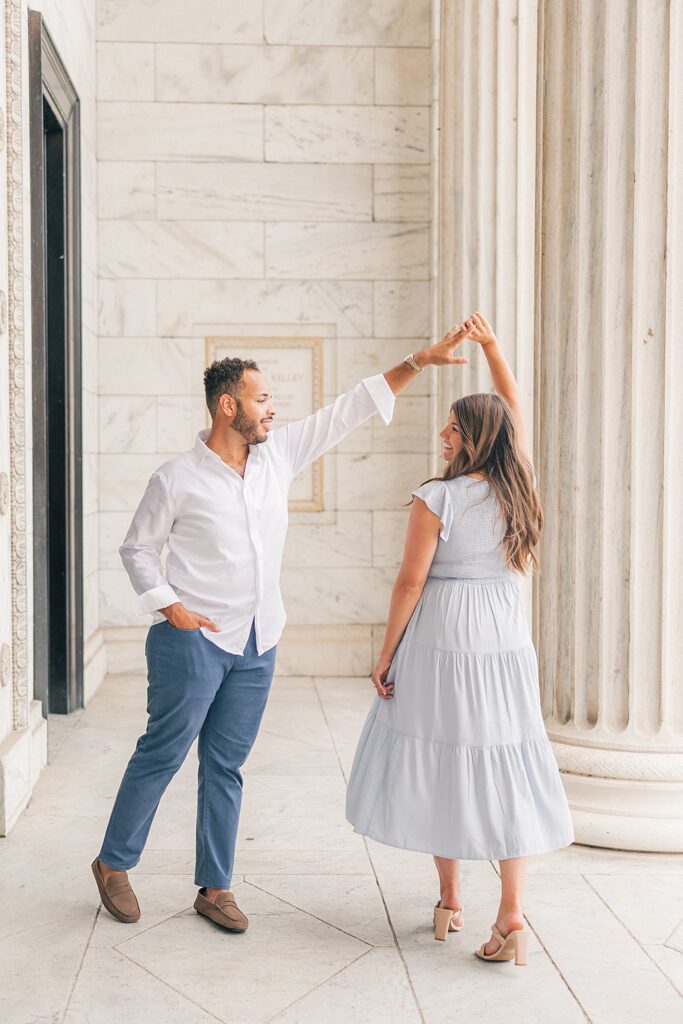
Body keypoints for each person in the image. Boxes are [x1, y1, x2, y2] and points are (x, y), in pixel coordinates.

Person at [91, 325, 474, 932]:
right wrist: (173, 610)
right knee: (163, 753)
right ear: (228, 405)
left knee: (226, 766)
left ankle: (214, 887)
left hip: (257, 641)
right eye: (263, 399)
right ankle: (113, 864)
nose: (273, 409)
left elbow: (348, 409)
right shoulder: (176, 478)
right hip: (193, 642)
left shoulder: (280, 456)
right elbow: (137, 550)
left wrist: (417, 362)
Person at [345, 312, 575, 967]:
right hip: (502, 640)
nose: (443, 433)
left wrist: (385, 653)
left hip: (441, 638)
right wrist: (494, 349)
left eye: (452, 424)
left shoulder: (435, 498)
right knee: (502, 761)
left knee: (442, 760)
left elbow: (408, 584)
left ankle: (448, 899)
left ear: (470, 436)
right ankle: (510, 916)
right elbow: (515, 412)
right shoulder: (517, 483)